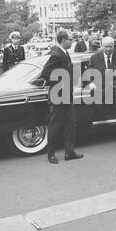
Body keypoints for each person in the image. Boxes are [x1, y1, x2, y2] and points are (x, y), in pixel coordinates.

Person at [40, 30, 83, 164]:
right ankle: (51, 154)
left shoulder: (64, 53)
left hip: (66, 95)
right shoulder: (56, 54)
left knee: (70, 124)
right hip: (58, 95)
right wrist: (62, 79)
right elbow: (45, 73)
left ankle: (69, 152)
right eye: (70, 39)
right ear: (63, 40)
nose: (72, 41)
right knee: (55, 125)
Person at [88, 36, 116, 122]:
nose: (108, 49)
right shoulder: (94, 58)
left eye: (110, 46)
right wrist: (91, 83)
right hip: (101, 86)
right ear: (101, 46)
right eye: (106, 46)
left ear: (114, 46)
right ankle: (102, 117)